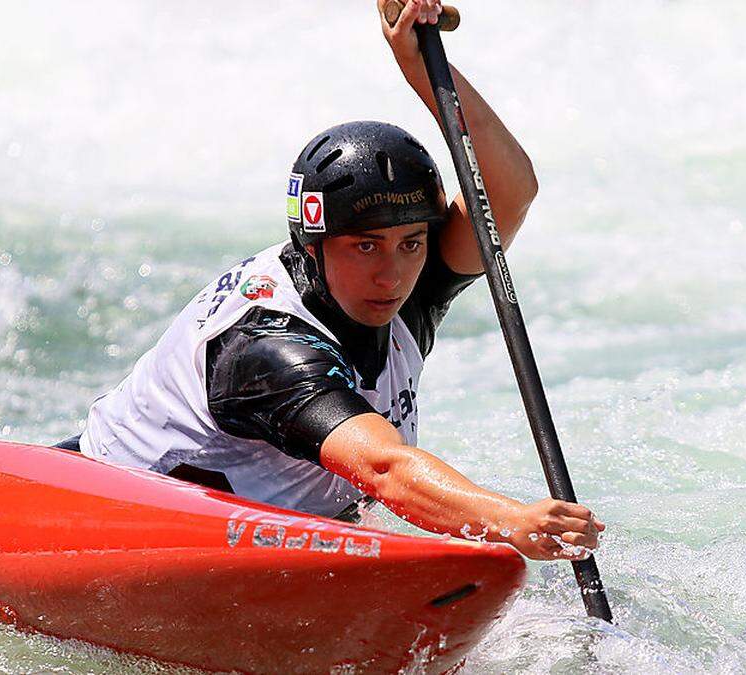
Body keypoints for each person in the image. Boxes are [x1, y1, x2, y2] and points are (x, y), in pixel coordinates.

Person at [64, 0, 603, 561]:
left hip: (276, 531)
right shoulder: (265, 345)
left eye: (411, 243)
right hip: (108, 523)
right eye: (364, 246)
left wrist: (418, 65)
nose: (392, 274)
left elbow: (508, 193)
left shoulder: (407, 282)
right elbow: (383, 468)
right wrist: (508, 520)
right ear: (313, 245)